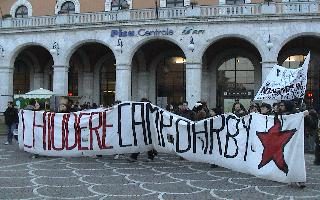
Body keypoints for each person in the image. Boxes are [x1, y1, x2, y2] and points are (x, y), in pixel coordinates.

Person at [128, 98, 157, 162]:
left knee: (145, 142)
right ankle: (151, 155)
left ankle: (134, 156)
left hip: (148, 129)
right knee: (144, 142)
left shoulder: (151, 109)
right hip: (142, 128)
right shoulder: (140, 110)